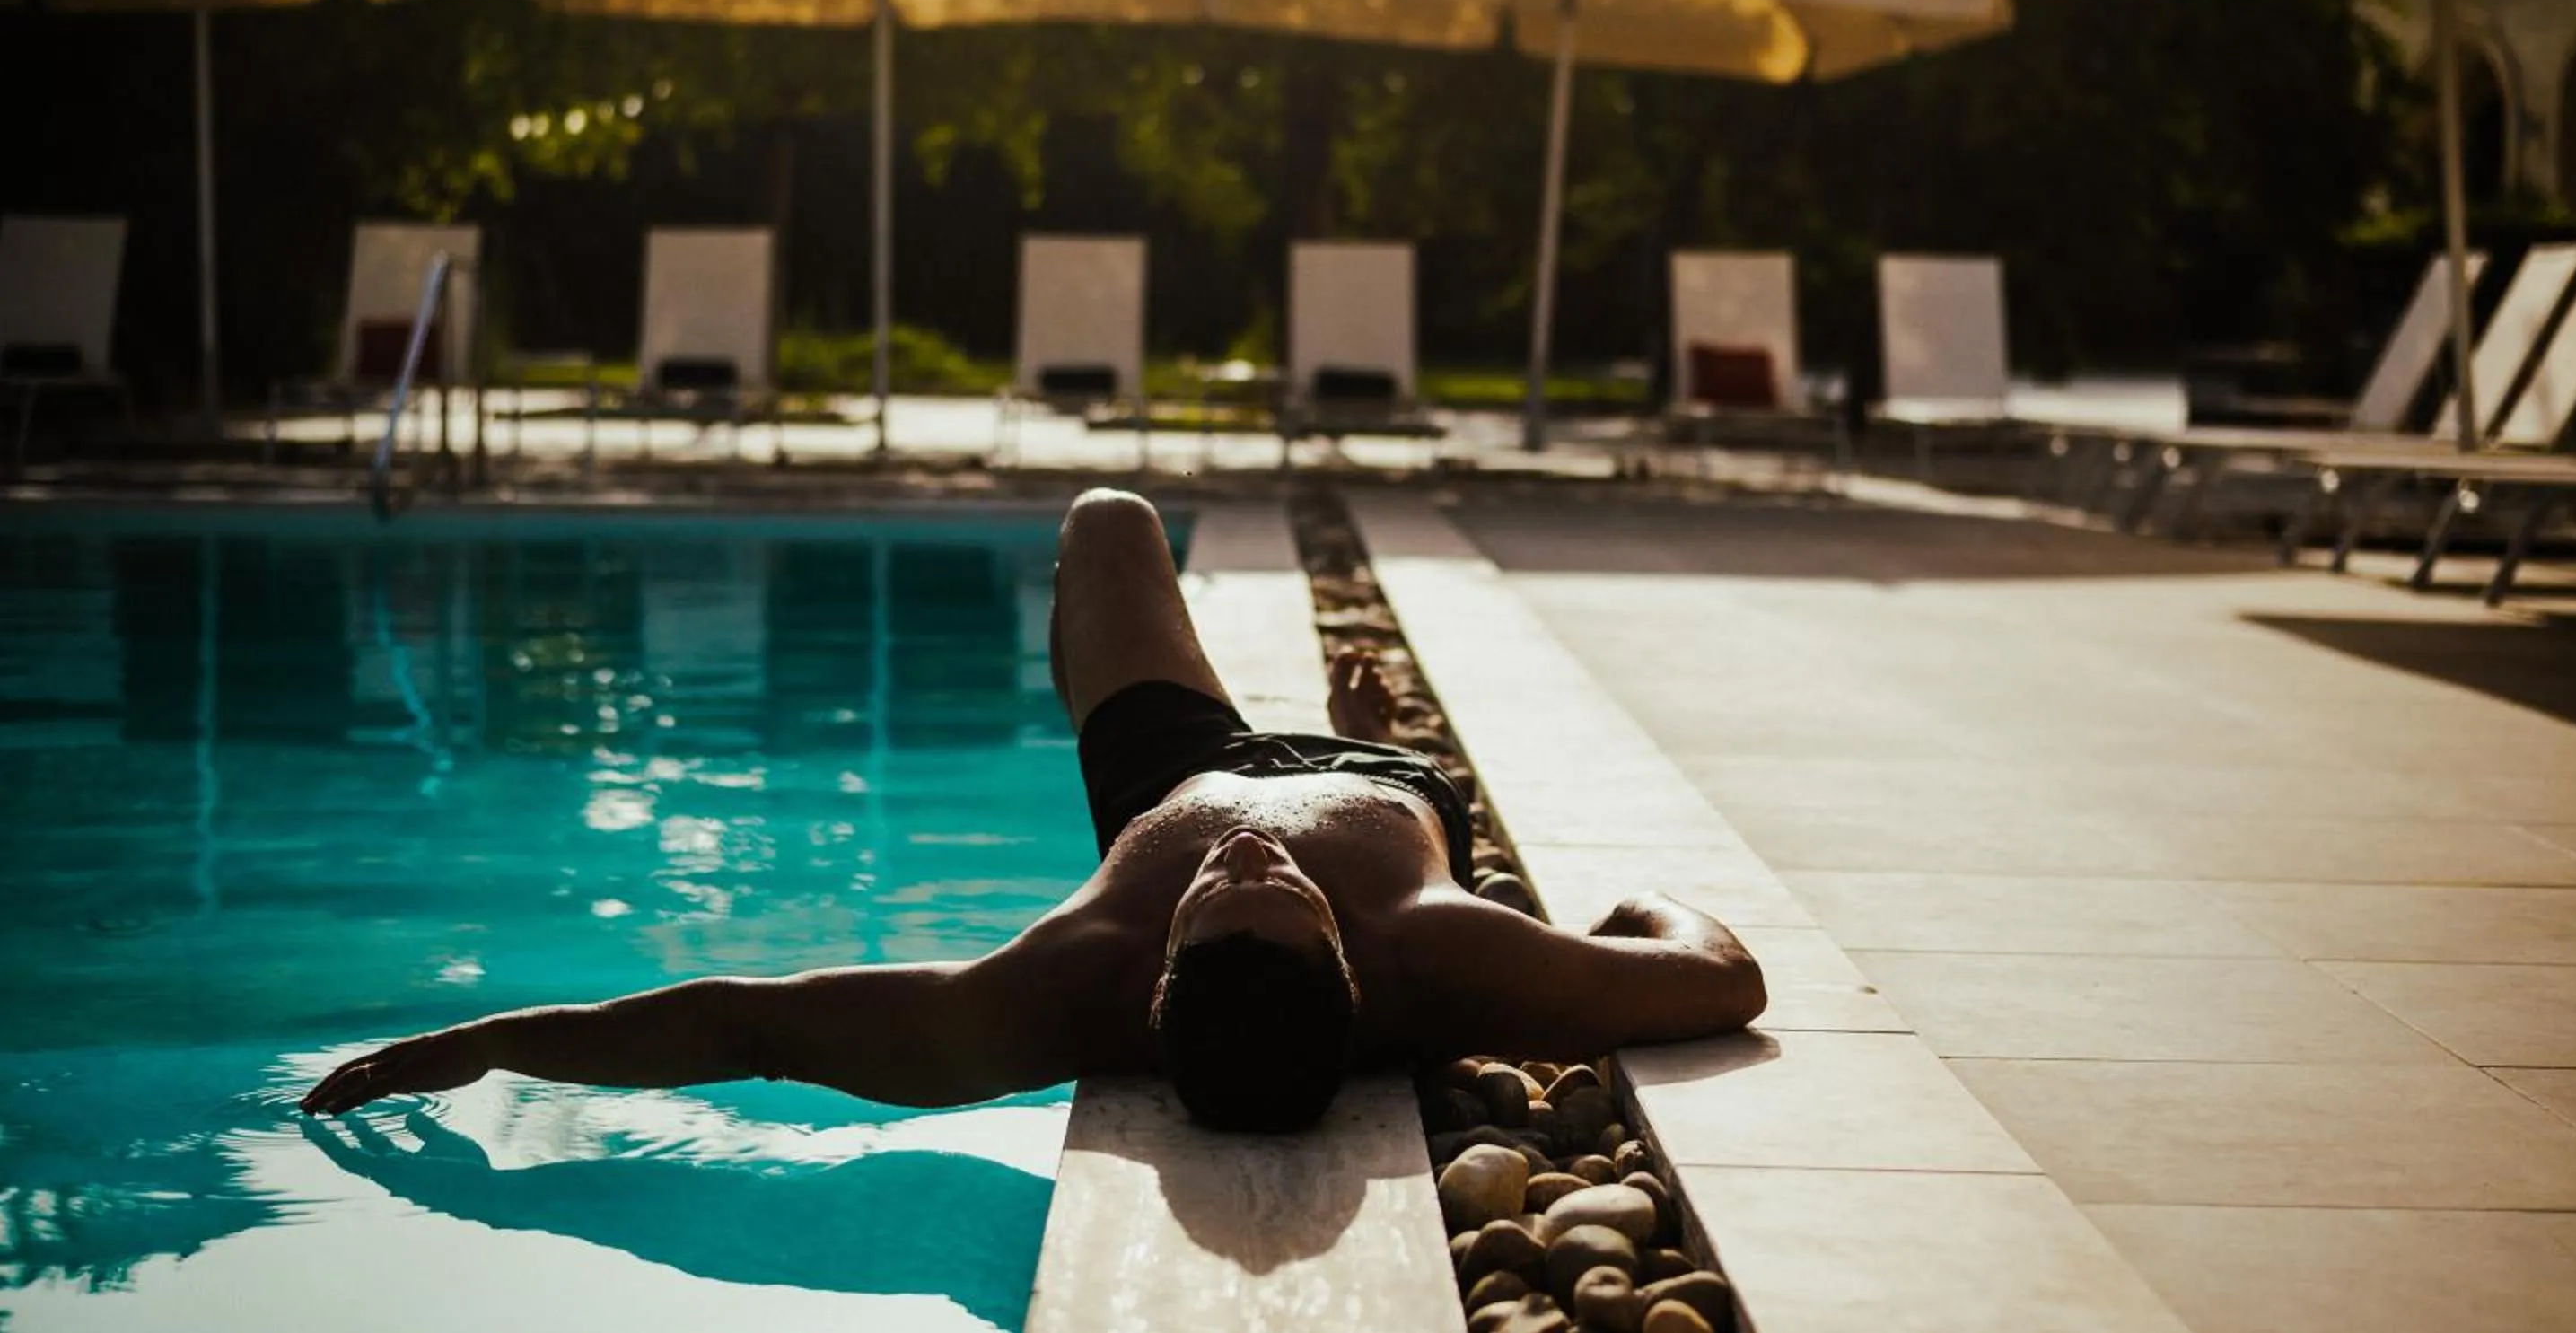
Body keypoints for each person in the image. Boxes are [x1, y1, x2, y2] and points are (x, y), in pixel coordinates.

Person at [303, 489, 1766, 1134]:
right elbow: (1721, 972)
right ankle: (1353, 734)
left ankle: (1283, 720)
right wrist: (1630, 921)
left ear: (1157, 974)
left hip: (1160, 774)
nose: (1254, 851)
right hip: (1377, 796)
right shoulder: (1456, 955)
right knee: (1130, 518)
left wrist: (483, 1042)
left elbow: (745, 1022)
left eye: (1227, 885)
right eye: (1282, 884)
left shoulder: (1044, 997)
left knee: (1107, 531)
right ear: (1346, 957)